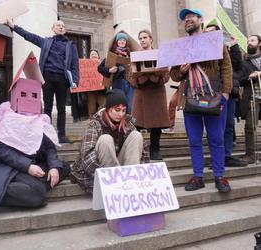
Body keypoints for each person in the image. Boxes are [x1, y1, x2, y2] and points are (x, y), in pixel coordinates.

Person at [0, 91, 70, 215]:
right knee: (38, 196)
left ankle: (20, 186)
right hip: (13, 168)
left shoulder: (41, 123)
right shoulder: (11, 122)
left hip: (35, 166)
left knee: (64, 167)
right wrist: (28, 166)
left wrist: (54, 167)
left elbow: (50, 149)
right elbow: (3, 152)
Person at [170, 9, 233, 193]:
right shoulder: (180, 47)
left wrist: (226, 95)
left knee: (216, 139)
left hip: (215, 98)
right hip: (190, 99)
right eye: (185, 19)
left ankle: (219, 176)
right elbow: (173, 75)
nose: (187, 20)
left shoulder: (215, 40)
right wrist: (181, 70)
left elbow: (226, 67)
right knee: (194, 140)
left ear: (200, 20)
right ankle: (198, 177)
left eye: (191, 17)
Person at [6, 19, 79, 143]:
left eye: (63, 26)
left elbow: (75, 64)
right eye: (58, 25)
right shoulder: (46, 42)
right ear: (53, 29)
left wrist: (75, 80)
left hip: (63, 79)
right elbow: (29, 36)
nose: (61, 27)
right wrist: (13, 27)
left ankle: (61, 135)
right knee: (48, 107)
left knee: (61, 108)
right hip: (47, 78)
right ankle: (47, 134)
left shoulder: (70, 45)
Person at [70, 89, 149, 193]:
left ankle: (131, 182)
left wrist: (142, 173)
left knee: (137, 135)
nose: (121, 114)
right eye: (117, 109)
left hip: (121, 170)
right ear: (108, 109)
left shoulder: (127, 123)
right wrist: (107, 178)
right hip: (102, 172)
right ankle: (115, 186)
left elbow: (143, 152)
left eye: (124, 110)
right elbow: (87, 157)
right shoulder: (95, 124)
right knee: (105, 139)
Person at [205, 20, 247, 167]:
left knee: (228, 125)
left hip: (229, 92)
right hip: (212, 93)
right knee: (216, 127)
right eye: (207, 32)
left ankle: (226, 155)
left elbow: (238, 67)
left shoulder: (228, 48)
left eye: (213, 32)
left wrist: (235, 46)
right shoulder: (205, 49)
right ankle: (217, 156)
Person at [129, 29, 170, 160]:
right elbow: (130, 75)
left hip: (156, 93)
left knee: (156, 124)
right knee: (137, 124)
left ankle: (155, 150)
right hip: (141, 92)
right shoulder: (135, 56)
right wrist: (137, 80)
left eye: (145, 37)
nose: (142, 40)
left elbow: (166, 73)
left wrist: (158, 77)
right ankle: (138, 150)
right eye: (140, 38)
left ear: (151, 39)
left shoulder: (160, 54)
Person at [98, 31, 138, 114]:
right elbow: (100, 68)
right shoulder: (112, 55)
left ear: (126, 42)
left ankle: (129, 125)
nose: (122, 41)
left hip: (130, 83)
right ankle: (120, 126)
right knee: (119, 106)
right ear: (117, 42)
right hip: (118, 83)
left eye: (124, 40)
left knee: (130, 106)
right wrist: (109, 70)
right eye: (120, 40)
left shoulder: (131, 54)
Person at [239, 35, 261, 164]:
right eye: (248, 41)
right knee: (249, 126)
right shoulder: (244, 62)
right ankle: (250, 154)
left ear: (259, 43)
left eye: (252, 41)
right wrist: (250, 77)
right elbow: (240, 80)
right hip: (252, 97)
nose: (249, 43)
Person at [86, 49, 106, 118]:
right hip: (90, 91)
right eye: (92, 54)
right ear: (89, 57)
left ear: (98, 56)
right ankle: (93, 126)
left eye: (95, 54)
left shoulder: (103, 64)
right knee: (92, 110)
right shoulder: (85, 66)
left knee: (103, 108)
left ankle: (104, 125)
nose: (94, 55)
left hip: (101, 91)